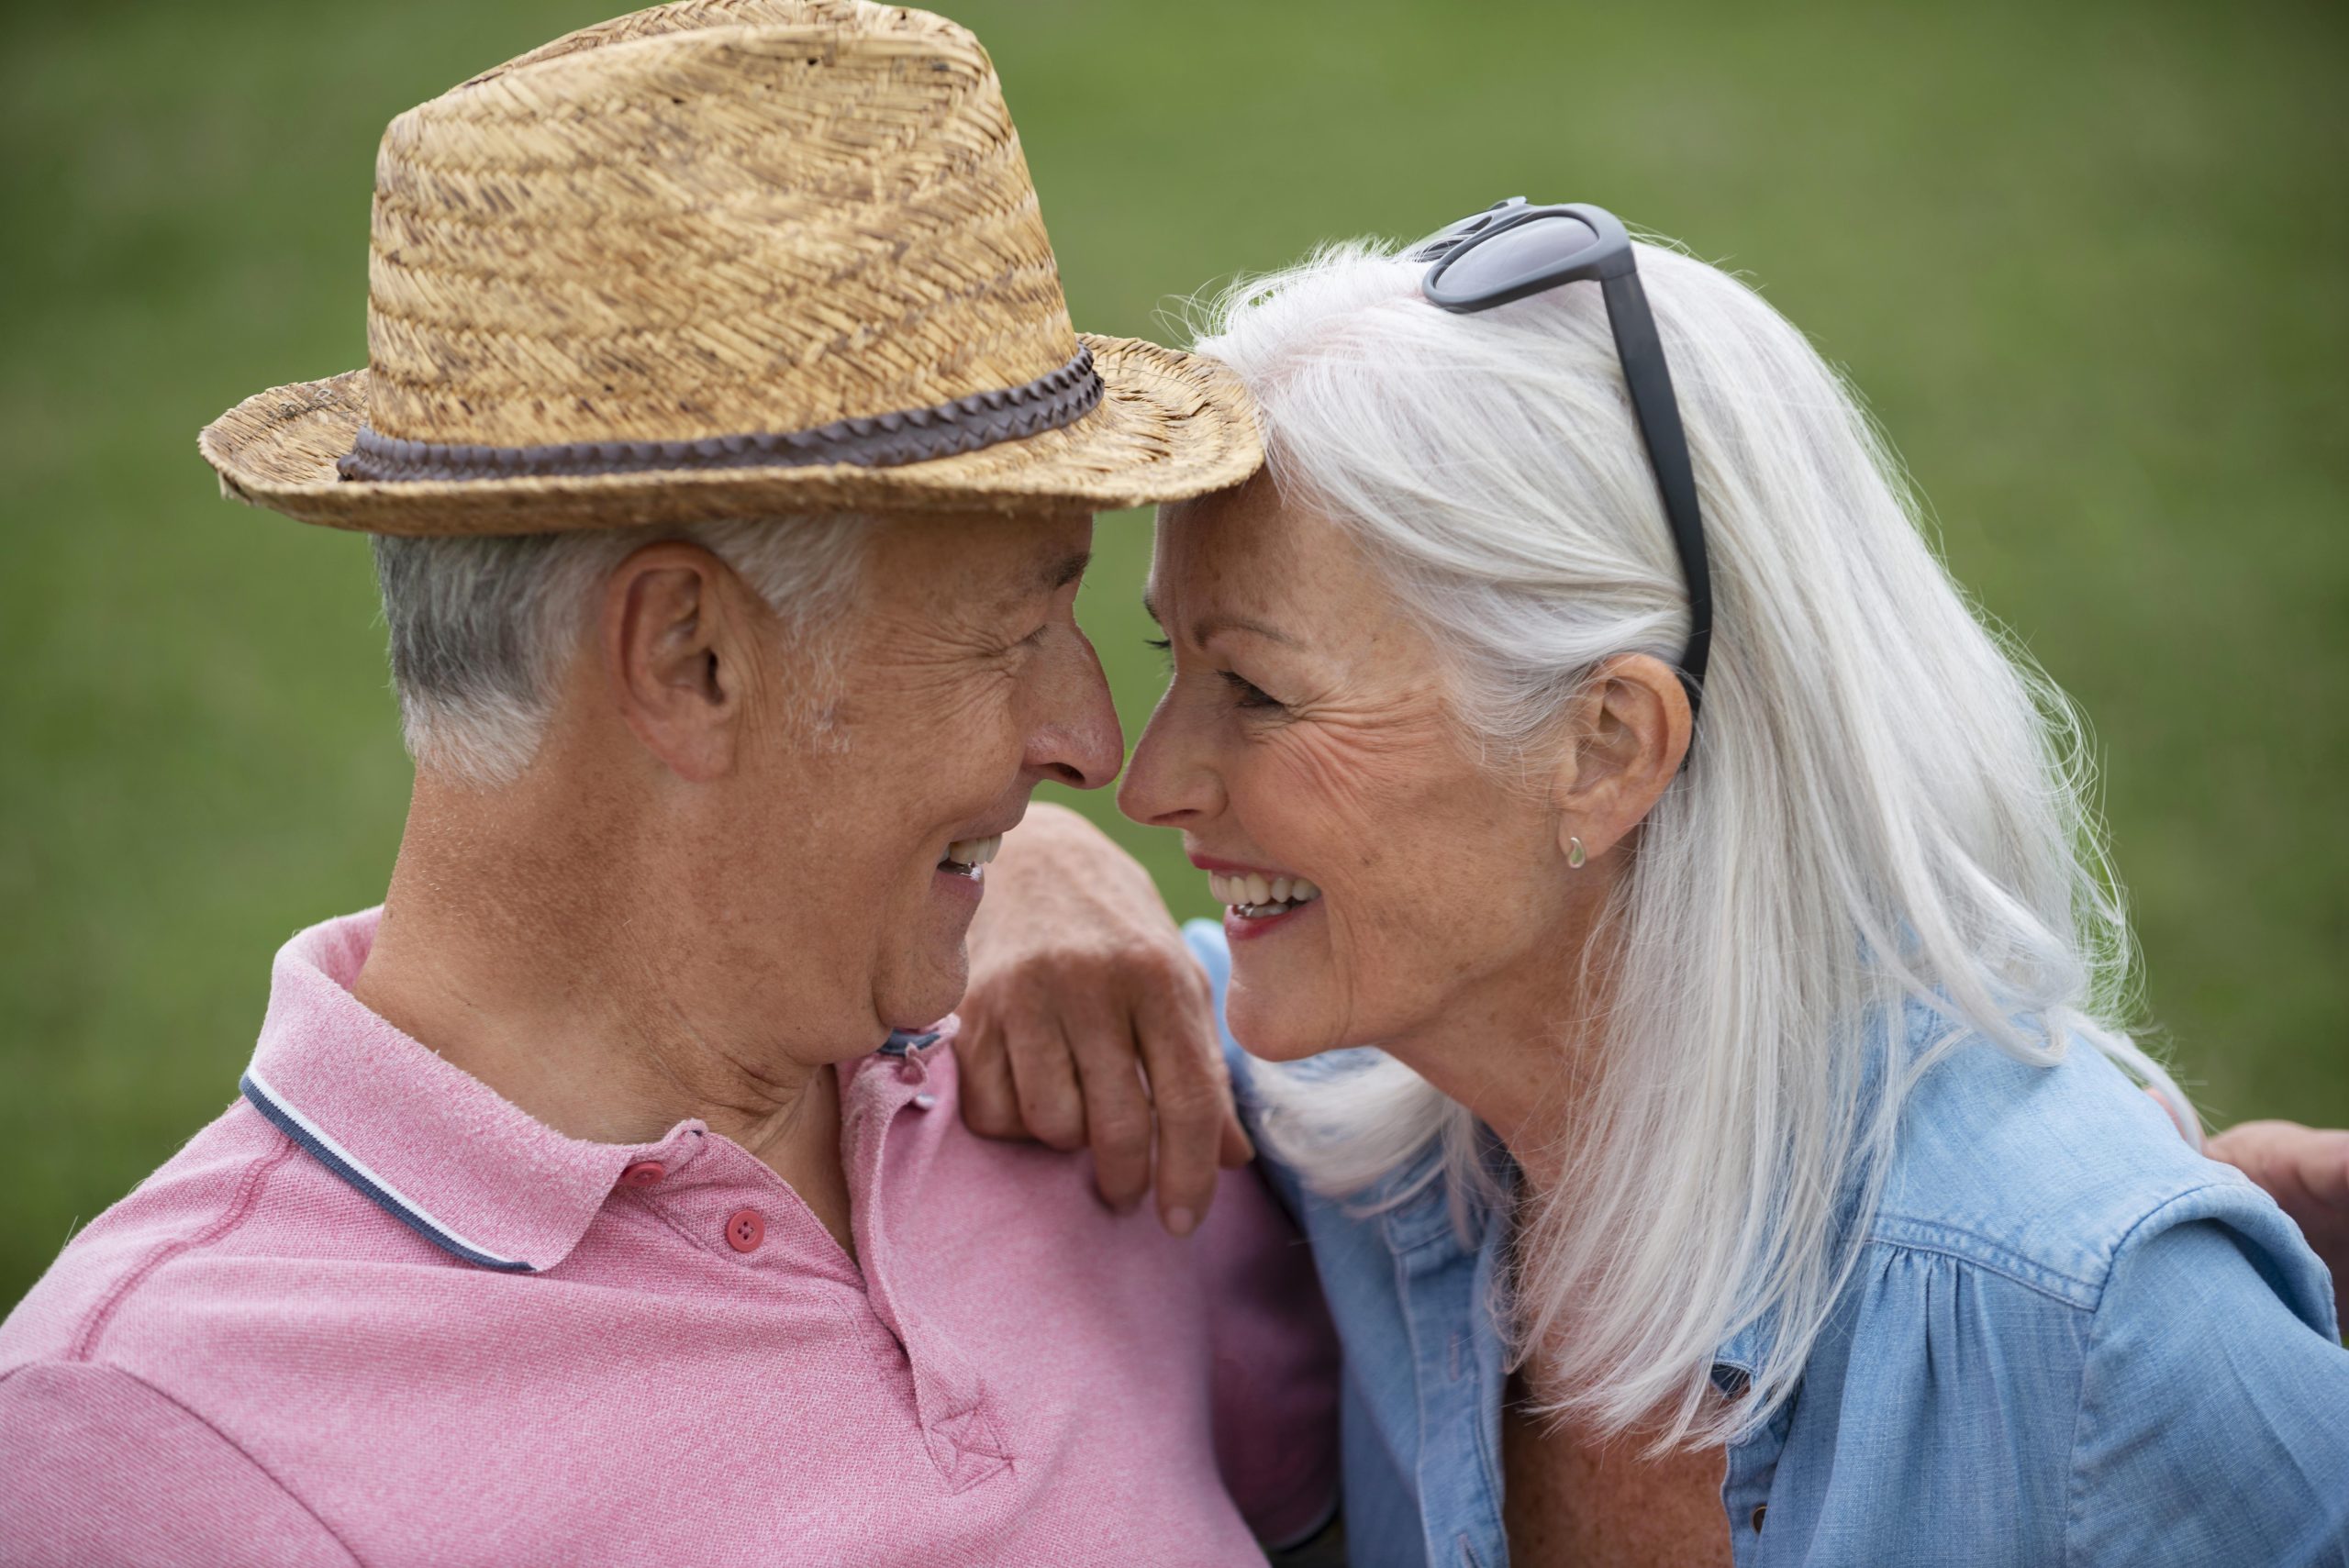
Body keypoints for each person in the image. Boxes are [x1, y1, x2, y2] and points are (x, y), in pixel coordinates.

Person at [0, 5, 1341, 1563]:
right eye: (1015, 629)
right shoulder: (147, 1437)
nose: (1093, 746)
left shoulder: (1095, 1097)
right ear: (692, 659)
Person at [953, 206, 2349, 1565]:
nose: (1150, 785)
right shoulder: (1350, 1124)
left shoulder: (2098, 1325)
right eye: (1171, 663)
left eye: (1256, 688)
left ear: (1604, 748)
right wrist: (1032, 862)